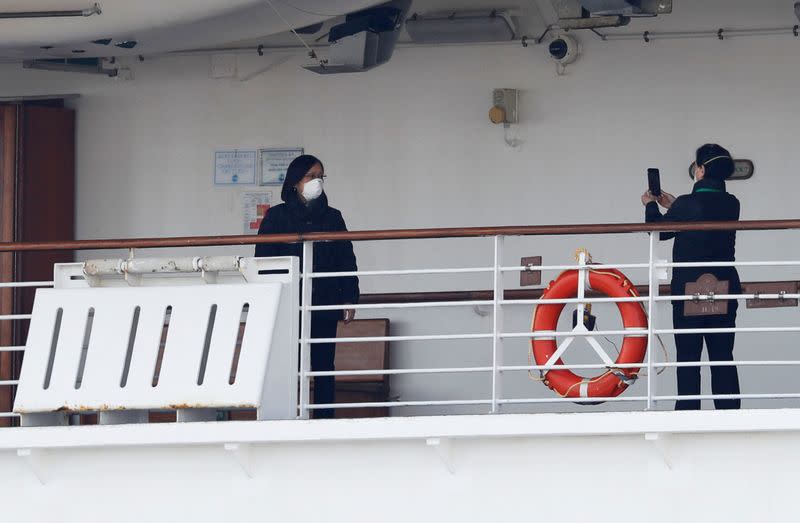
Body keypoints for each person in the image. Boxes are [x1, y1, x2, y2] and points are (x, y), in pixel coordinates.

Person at [256, 155, 359, 419]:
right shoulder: (276, 217)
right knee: (289, 364)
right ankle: (287, 418)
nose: (317, 181)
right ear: (295, 181)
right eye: (310, 176)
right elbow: (264, 259)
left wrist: (350, 297)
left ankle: (325, 421)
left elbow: (346, 259)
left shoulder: (333, 217)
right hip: (288, 306)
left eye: (321, 176)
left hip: (324, 302)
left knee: (324, 365)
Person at [642, 144, 741, 410]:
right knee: (722, 355)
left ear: (701, 169)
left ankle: (687, 413)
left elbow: (659, 231)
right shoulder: (732, 203)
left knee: (688, 356)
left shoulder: (688, 204)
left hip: (689, 290)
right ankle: (729, 413)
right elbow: (701, 216)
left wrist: (652, 205)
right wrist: (673, 204)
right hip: (725, 287)